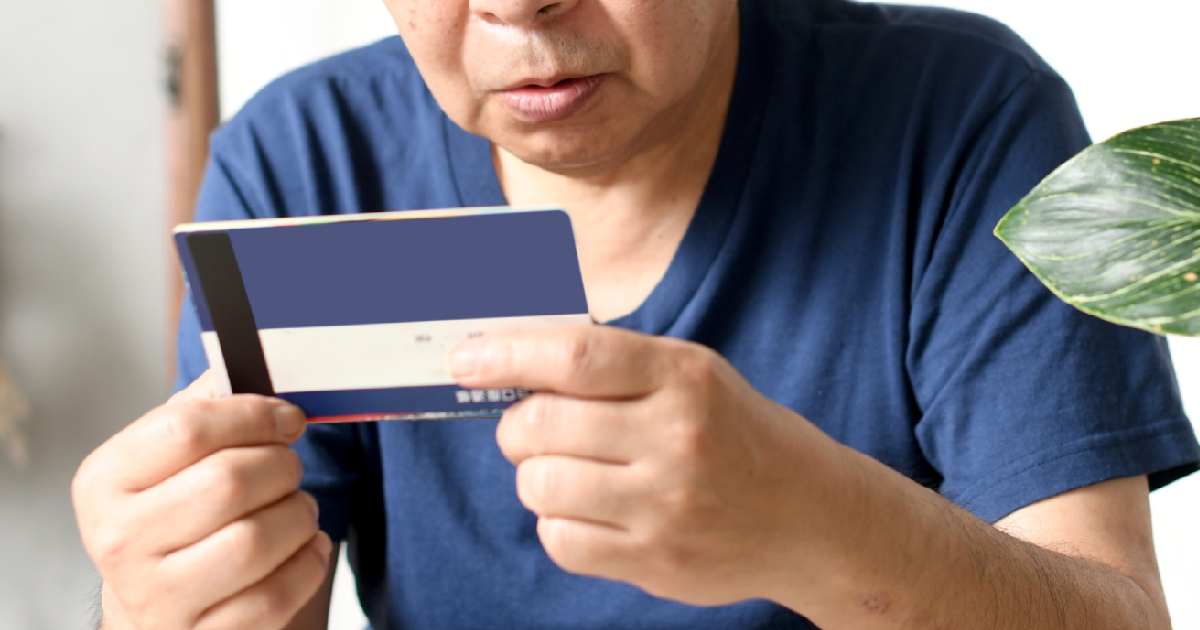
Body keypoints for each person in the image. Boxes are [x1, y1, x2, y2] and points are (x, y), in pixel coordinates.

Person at [72, 0, 1200, 628]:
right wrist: (152, 599)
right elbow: (259, 596)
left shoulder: (960, 118)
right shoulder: (305, 160)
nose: (517, 5)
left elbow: (1117, 616)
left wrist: (821, 524)